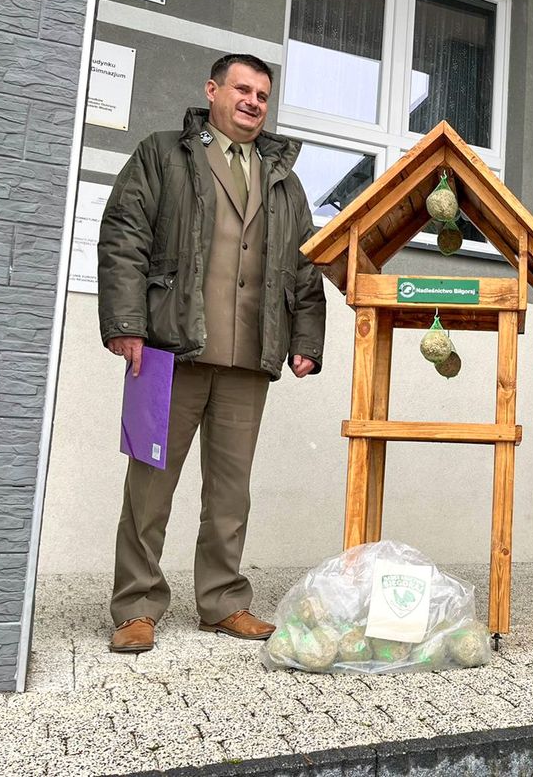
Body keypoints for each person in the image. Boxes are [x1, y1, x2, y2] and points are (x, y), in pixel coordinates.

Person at [98, 53, 327, 654]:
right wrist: (127, 322)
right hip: (168, 349)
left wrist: (305, 339)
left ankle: (223, 599)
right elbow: (124, 235)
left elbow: (304, 264)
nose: (253, 102)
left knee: (231, 489)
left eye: (262, 95)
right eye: (242, 90)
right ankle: (136, 606)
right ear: (213, 91)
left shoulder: (282, 176)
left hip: (249, 356)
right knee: (149, 484)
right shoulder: (162, 153)